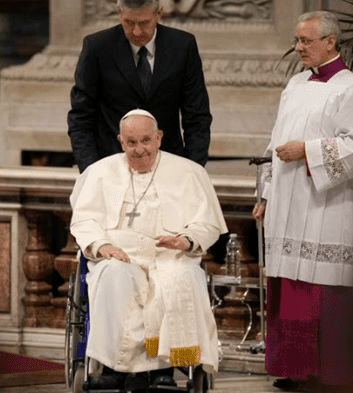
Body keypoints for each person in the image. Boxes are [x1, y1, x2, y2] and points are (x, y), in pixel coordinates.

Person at [252, 11, 353, 390]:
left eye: (306, 40)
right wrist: (266, 193)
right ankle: (295, 368)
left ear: (331, 42)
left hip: (329, 208)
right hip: (289, 203)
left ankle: (330, 372)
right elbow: (276, 142)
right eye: (297, 40)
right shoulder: (294, 84)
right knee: (290, 291)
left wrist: (307, 151)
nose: (298, 47)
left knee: (321, 290)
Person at [69, 109, 227, 390]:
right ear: (120, 141)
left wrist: (186, 240)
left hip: (170, 255)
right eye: (131, 142)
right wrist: (103, 245)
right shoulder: (100, 172)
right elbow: (84, 219)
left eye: (145, 140)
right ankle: (117, 368)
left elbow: (207, 222)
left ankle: (162, 369)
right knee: (115, 277)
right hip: (119, 255)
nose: (139, 149)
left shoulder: (189, 172)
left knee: (179, 277)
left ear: (159, 138)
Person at [67, 0, 212, 173]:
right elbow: (81, 117)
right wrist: (92, 170)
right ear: (120, 13)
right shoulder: (97, 47)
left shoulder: (183, 46)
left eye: (144, 23)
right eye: (129, 22)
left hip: (170, 165)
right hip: (111, 167)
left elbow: (197, 116)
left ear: (159, 14)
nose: (136, 31)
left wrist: (191, 170)